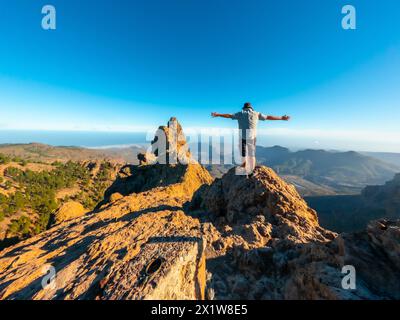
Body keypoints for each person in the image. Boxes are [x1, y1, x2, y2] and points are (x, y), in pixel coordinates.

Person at [211, 102, 290, 174]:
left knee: (243, 152)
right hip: (252, 137)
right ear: (251, 108)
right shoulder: (256, 113)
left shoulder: (240, 113)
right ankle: (251, 170)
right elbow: (269, 117)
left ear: (243, 108)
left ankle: (244, 166)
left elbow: (229, 115)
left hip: (242, 136)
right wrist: (281, 118)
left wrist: (218, 114)